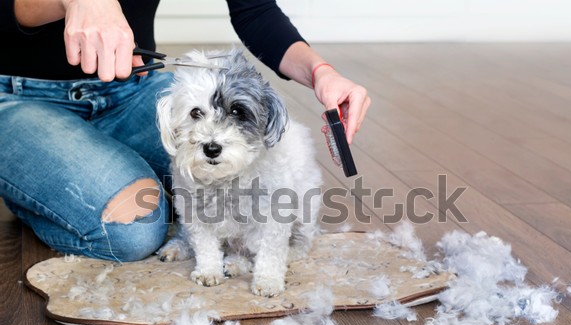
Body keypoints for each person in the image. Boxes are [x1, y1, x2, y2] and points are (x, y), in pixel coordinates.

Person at [0, 0, 371, 262]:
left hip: (132, 88)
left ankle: (86, 175)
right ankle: (39, 191)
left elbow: (255, 10)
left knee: (244, 176)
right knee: (134, 230)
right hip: (17, 95)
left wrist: (322, 73)